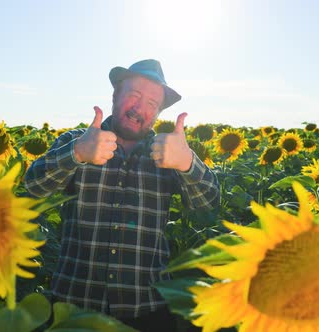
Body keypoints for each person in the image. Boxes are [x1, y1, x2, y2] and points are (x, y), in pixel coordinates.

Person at [24, 59, 220, 331]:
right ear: (116, 94)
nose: (141, 108)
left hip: (146, 309)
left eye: (152, 103)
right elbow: (33, 187)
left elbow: (207, 206)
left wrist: (188, 164)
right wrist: (77, 154)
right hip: (74, 308)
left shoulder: (168, 152)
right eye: (134, 95)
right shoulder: (78, 141)